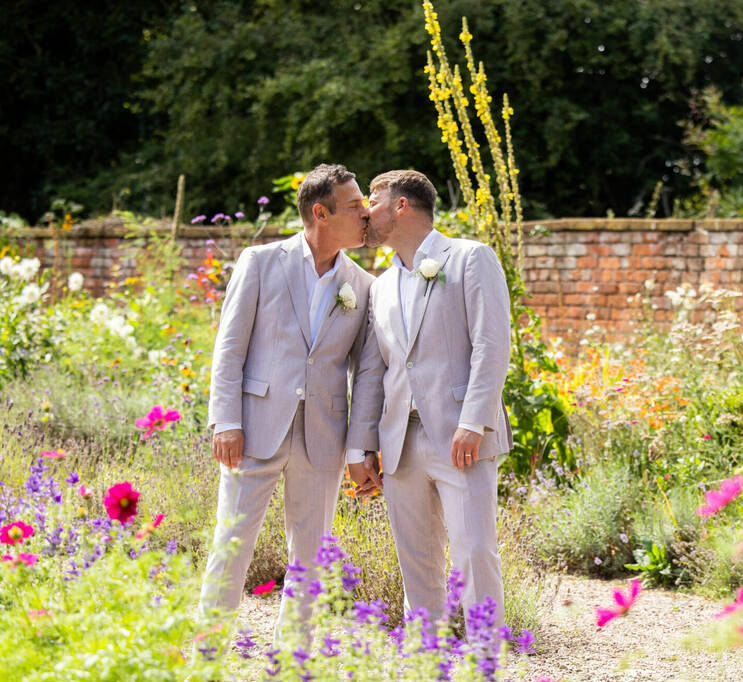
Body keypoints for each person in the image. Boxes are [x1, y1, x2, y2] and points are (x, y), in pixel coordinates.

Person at [199, 163, 381, 644]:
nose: (367, 213)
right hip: (254, 429)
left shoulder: (361, 285)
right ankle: (208, 661)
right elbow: (230, 347)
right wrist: (225, 421)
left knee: (312, 557)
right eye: (355, 206)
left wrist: (361, 448)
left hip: (323, 436)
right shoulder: (259, 262)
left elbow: (365, 374)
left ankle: (292, 663)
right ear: (320, 213)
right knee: (232, 544)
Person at [353, 169, 512, 625]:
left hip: (462, 435)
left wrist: (474, 421)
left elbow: (491, 344)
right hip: (399, 441)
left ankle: (486, 659)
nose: (365, 210)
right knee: (416, 559)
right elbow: (372, 373)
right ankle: (426, 662)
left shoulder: (469, 258)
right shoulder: (379, 286)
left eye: (373, 200)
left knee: (475, 552)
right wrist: (363, 445)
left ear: (401, 205)